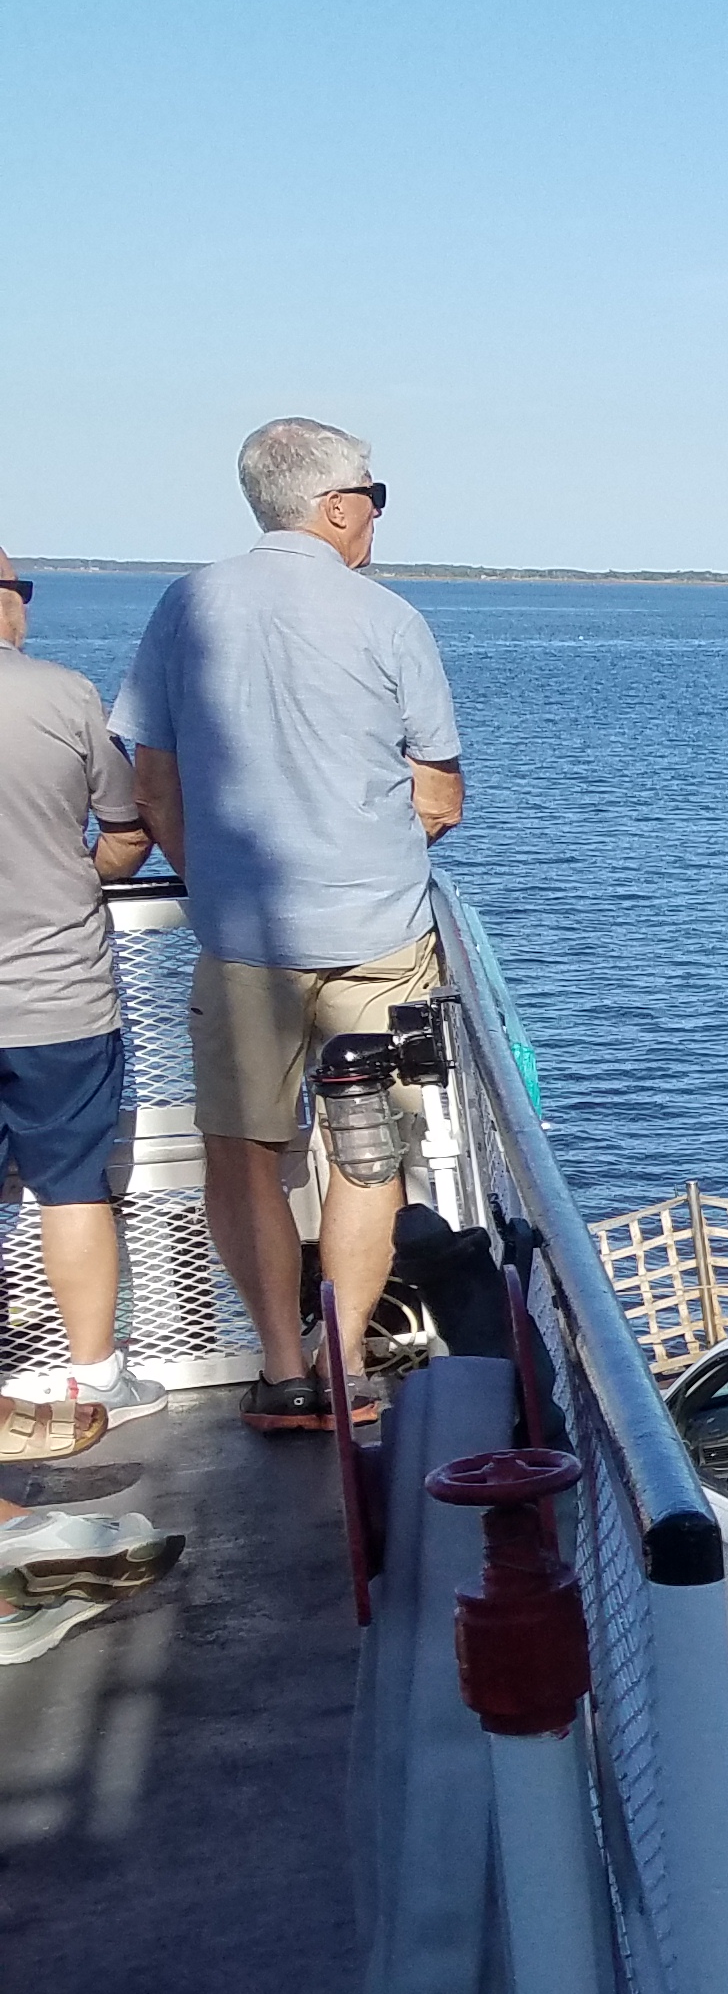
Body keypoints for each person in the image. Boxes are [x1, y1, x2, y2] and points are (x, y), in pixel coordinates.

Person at [112, 420, 463, 1433]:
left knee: (240, 1152)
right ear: (337, 506)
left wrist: (214, 880)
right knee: (368, 1151)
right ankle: (343, 1364)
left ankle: (279, 1369)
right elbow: (439, 798)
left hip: (242, 941)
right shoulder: (389, 619)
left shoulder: (185, 606)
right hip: (378, 933)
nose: (377, 515)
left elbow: (152, 785)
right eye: (375, 496)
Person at [0, 547, 163, 1458]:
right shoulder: (64, 697)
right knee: (69, 1189)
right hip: (58, 993)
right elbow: (129, 832)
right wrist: (76, 876)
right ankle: (96, 1373)